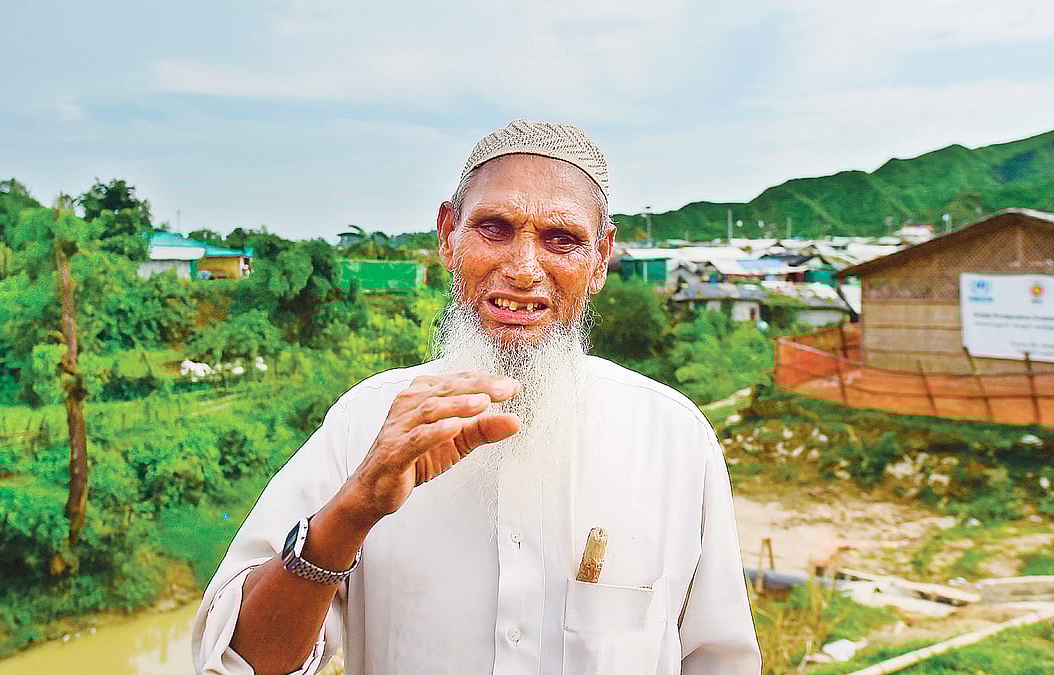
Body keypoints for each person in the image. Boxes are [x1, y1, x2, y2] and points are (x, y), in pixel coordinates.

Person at [192, 119, 761, 675]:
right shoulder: (366, 423)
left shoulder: (673, 439)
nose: (522, 270)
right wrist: (353, 510)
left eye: (561, 240)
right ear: (447, 236)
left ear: (600, 260)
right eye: (495, 229)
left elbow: (720, 661)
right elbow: (238, 663)